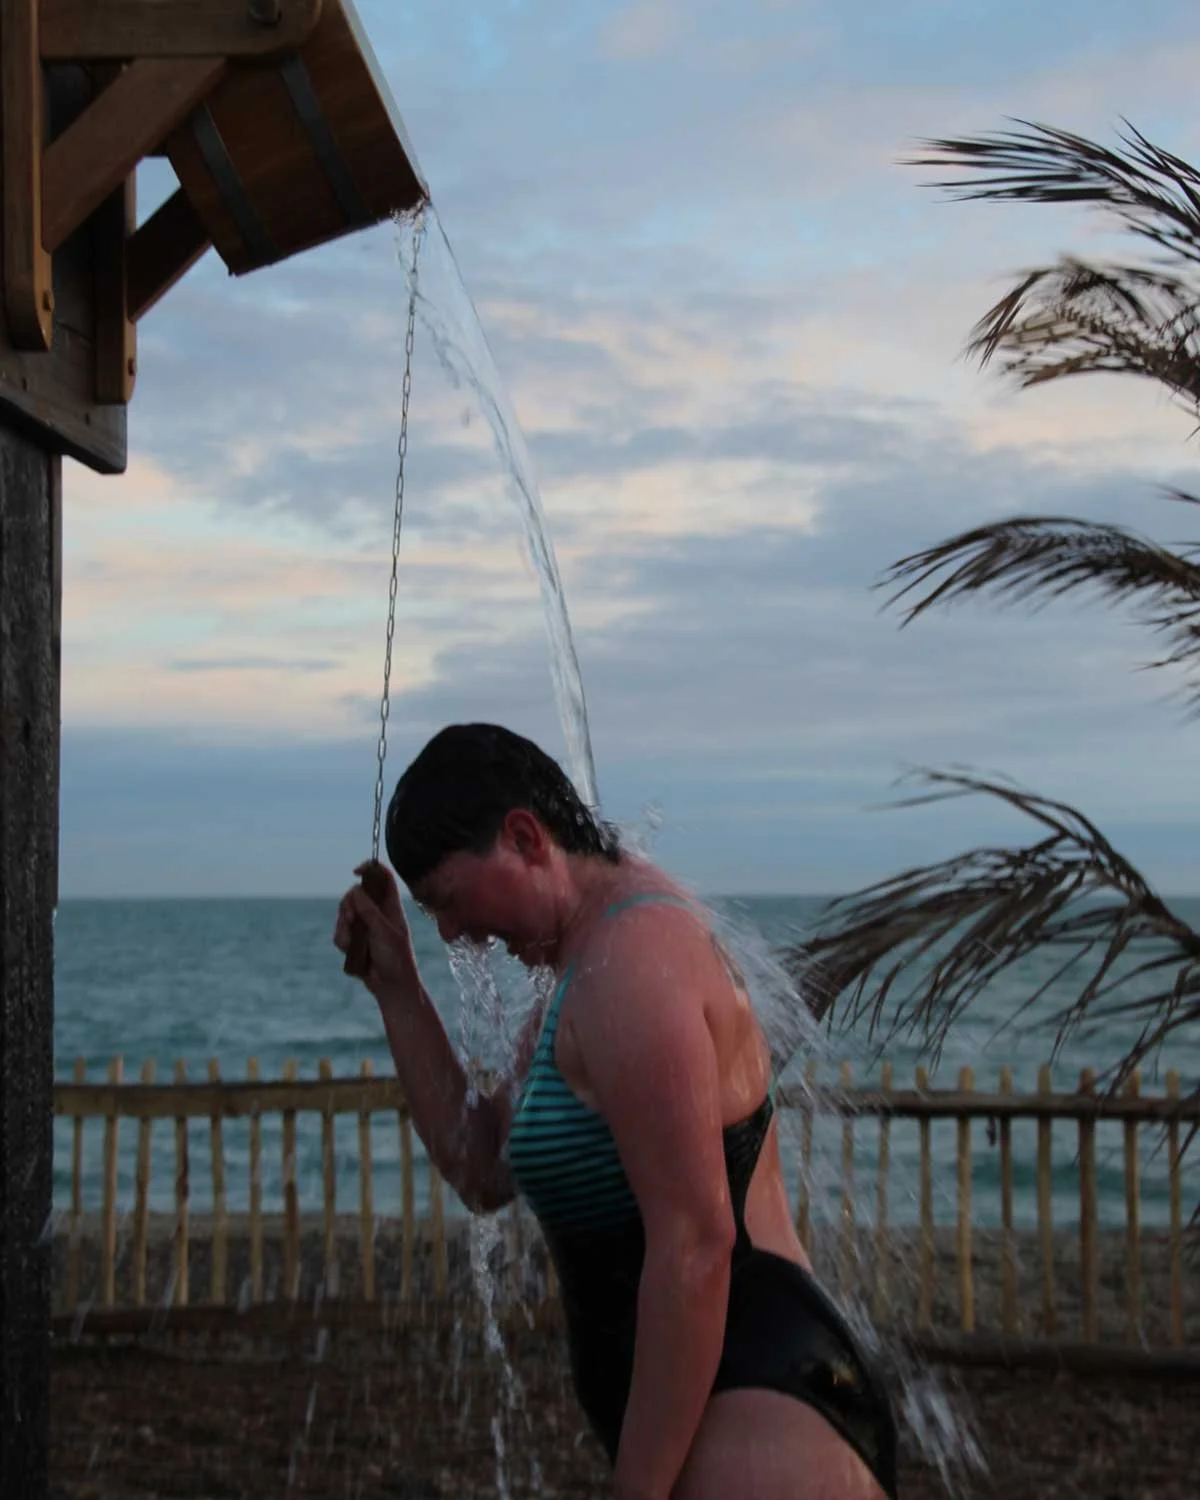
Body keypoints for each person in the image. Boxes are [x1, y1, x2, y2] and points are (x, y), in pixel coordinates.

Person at [334, 723, 898, 1500]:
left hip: (761, 1414)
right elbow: (484, 1163)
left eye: (449, 901)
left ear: (526, 837)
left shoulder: (633, 966)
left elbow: (697, 1246)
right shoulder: (591, 955)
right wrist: (397, 989)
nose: (452, 932)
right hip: (716, 1402)